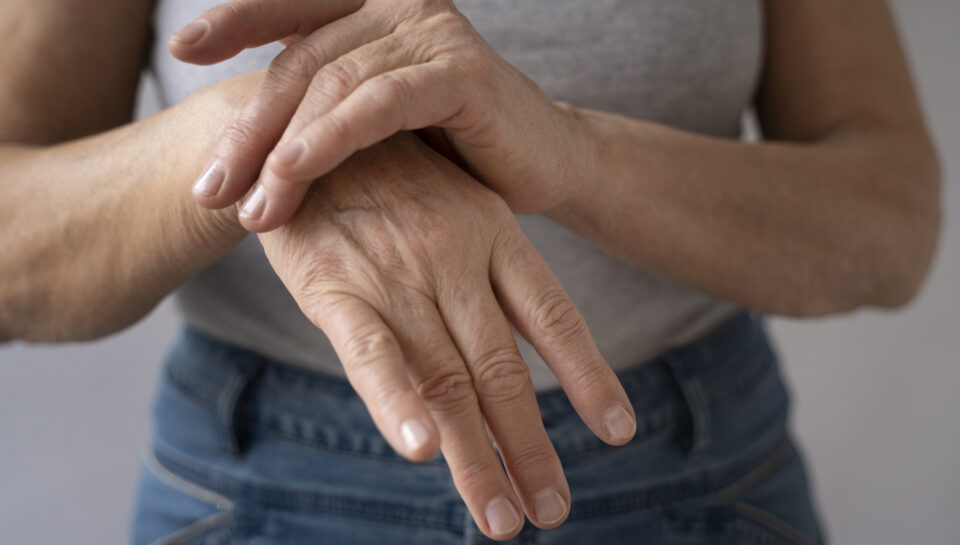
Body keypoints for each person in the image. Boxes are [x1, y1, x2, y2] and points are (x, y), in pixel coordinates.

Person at [0, 0, 940, 543]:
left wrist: (575, 154)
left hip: (696, 473)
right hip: (261, 482)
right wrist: (262, 136)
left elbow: (889, 218)